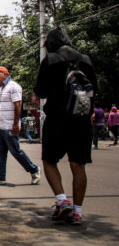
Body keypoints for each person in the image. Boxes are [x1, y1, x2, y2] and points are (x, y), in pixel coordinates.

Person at [32, 27, 97, 226]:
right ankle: (77, 212)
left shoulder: (50, 60)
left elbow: (40, 92)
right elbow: (95, 89)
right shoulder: (86, 59)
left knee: (49, 160)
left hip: (57, 120)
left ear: (51, 44)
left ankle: (62, 201)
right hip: (82, 119)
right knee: (78, 164)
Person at [0, 66, 40, 186]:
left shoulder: (14, 86)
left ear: (4, 74)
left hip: (10, 125)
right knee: (0, 152)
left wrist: (16, 123)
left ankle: (34, 170)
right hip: (0, 125)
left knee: (16, 151)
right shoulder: (1, 88)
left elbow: (17, 105)